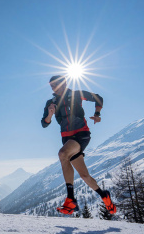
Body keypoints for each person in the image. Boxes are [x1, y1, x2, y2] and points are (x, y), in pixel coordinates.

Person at [41, 75, 116, 215]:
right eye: (51, 86)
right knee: (84, 176)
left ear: (64, 83)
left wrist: (97, 113)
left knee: (63, 154)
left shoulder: (76, 94)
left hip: (81, 135)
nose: (53, 88)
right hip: (66, 139)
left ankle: (71, 199)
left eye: (55, 84)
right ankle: (104, 195)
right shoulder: (51, 102)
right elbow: (44, 123)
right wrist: (50, 114)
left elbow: (98, 98)